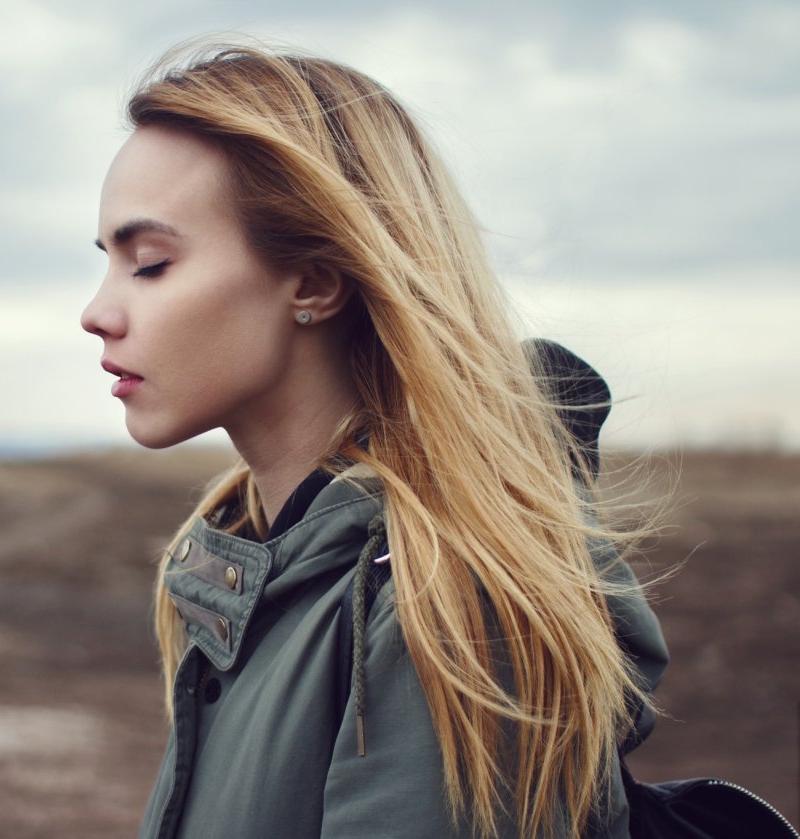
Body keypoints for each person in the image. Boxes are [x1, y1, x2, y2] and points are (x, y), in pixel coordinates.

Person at [80, 42, 668, 839]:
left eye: (148, 264)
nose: (98, 312)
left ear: (316, 282)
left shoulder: (449, 612)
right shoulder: (247, 568)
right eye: (109, 262)